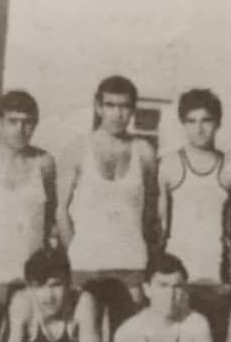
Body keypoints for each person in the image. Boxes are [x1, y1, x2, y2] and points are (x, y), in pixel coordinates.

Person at [159, 88, 231, 342]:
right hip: (177, 281)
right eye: (192, 121)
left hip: (216, 282)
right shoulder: (168, 165)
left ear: (217, 123)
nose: (199, 129)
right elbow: (159, 228)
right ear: (183, 124)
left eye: (206, 120)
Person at [57, 76, 158, 303]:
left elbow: (151, 210)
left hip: (132, 264)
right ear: (98, 107)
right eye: (110, 105)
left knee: (130, 326)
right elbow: (61, 211)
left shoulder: (144, 151)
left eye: (124, 107)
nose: (117, 114)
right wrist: (75, 253)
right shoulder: (77, 149)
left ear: (132, 110)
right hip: (86, 265)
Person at [0, 90, 56, 307]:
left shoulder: (43, 163)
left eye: (27, 122)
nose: (20, 129)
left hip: (31, 282)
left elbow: (49, 218)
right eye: (12, 121)